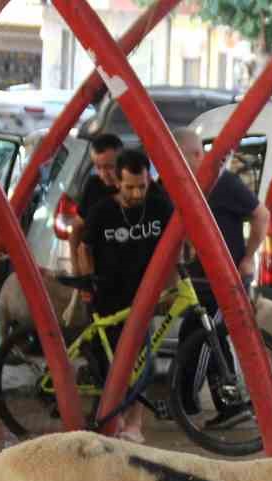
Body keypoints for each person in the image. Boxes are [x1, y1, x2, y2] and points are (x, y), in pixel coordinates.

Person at [75, 148, 173, 443]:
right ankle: (110, 420)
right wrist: (86, 285)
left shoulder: (159, 206)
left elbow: (177, 241)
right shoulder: (102, 212)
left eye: (141, 186)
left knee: (141, 363)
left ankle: (134, 425)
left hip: (143, 297)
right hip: (108, 297)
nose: (136, 193)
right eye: (129, 186)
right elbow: (84, 247)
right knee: (112, 364)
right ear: (117, 182)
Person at [171, 126, 268, 290]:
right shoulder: (179, 185)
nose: (175, 166)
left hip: (227, 281)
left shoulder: (224, 182)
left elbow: (261, 216)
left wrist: (248, 258)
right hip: (194, 281)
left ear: (197, 155)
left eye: (179, 159)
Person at [68, 133, 122, 269]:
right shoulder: (94, 185)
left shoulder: (138, 188)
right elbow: (76, 228)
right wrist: (77, 271)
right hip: (98, 268)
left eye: (109, 167)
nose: (103, 174)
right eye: (98, 167)